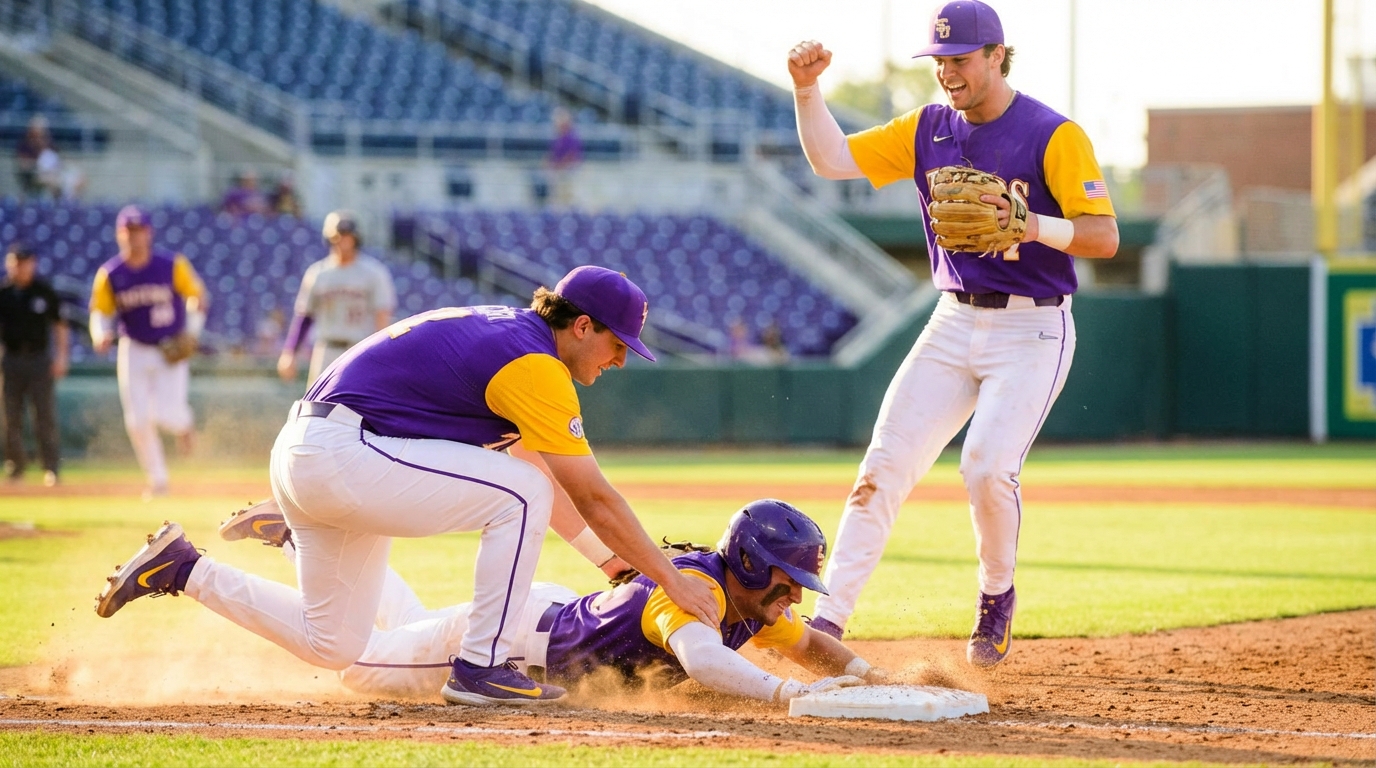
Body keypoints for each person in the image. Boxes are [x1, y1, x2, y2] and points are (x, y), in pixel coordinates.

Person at [95, 266, 722, 708]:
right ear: (582, 326)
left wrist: (610, 561)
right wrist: (669, 579)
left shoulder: (511, 338)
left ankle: (183, 569)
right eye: (618, 343)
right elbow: (590, 495)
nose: (619, 360)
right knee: (519, 492)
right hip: (343, 455)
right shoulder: (536, 364)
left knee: (333, 643)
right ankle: (481, 666)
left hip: (314, 454)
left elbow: (544, 472)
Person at [787, 0, 1118, 667]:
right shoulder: (927, 128)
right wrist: (806, 90)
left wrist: (1033, 226)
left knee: (985, 469)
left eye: (960, 60)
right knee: (881, 469)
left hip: (1033, 327)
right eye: (939, 62)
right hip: (952, 318)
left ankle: (996, 596)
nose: (947, 74)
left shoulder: (1054, 134)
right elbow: (830, 160)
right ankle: (830, 621)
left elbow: (1104, 235)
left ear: (998, 55)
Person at [130, 497, 885, 704]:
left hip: (541, 622)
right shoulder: (692, 597)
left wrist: (864, 677)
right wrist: (792, 699)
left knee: (397, 628)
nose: (794, 594)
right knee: (356, 659)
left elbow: (810, 641)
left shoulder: (752, 599)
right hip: (516, 641)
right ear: (754, 563)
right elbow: (708, 665)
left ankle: (302, 543)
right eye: (790, 578)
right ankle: (186, 568)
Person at [88, 205, 209, 500]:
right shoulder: (111, 273)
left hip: (170, 349)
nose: (134, 237)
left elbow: (199, 297)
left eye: (139, 230)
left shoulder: (171, 264)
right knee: (138, 420)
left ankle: (185, 425)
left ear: (149, 233)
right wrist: (100, 333)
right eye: (128, 231)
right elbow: (99, 313)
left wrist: (192, 332)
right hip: (134, 349)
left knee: (168, 415)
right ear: (119, 235)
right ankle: (158, 480)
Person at [277, 211, 396, 387]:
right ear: (329, 238)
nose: (343, 241)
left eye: (348, 236)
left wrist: (383, 355)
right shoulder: (318, 273)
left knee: (360, 407)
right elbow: (305, 316)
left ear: (356, 238)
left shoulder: (374, 272)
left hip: (360, 349)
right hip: (326, 350)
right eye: (338, 236)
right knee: (319, 408)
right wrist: (290, 352)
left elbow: (382, 316)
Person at [0, 243, 69, 486]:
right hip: (11, 358)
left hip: (39, 359)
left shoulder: (43, 290)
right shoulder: (4, 292)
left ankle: (51, 468)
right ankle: (15, 467)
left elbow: (60, 325)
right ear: (9, 264)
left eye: (25, 262)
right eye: (16, 262)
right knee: (11, 416)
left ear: (33, 264)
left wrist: (61, 356)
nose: (20, 267)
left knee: (44, 416)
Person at [545, 107, 583, 207]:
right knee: (557, 199)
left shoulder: (572, 136)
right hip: (558, 171)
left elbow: (572, 155)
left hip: (568, 171)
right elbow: (553, 154)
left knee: (567, 198)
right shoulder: (559, 136)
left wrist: (559, 167)